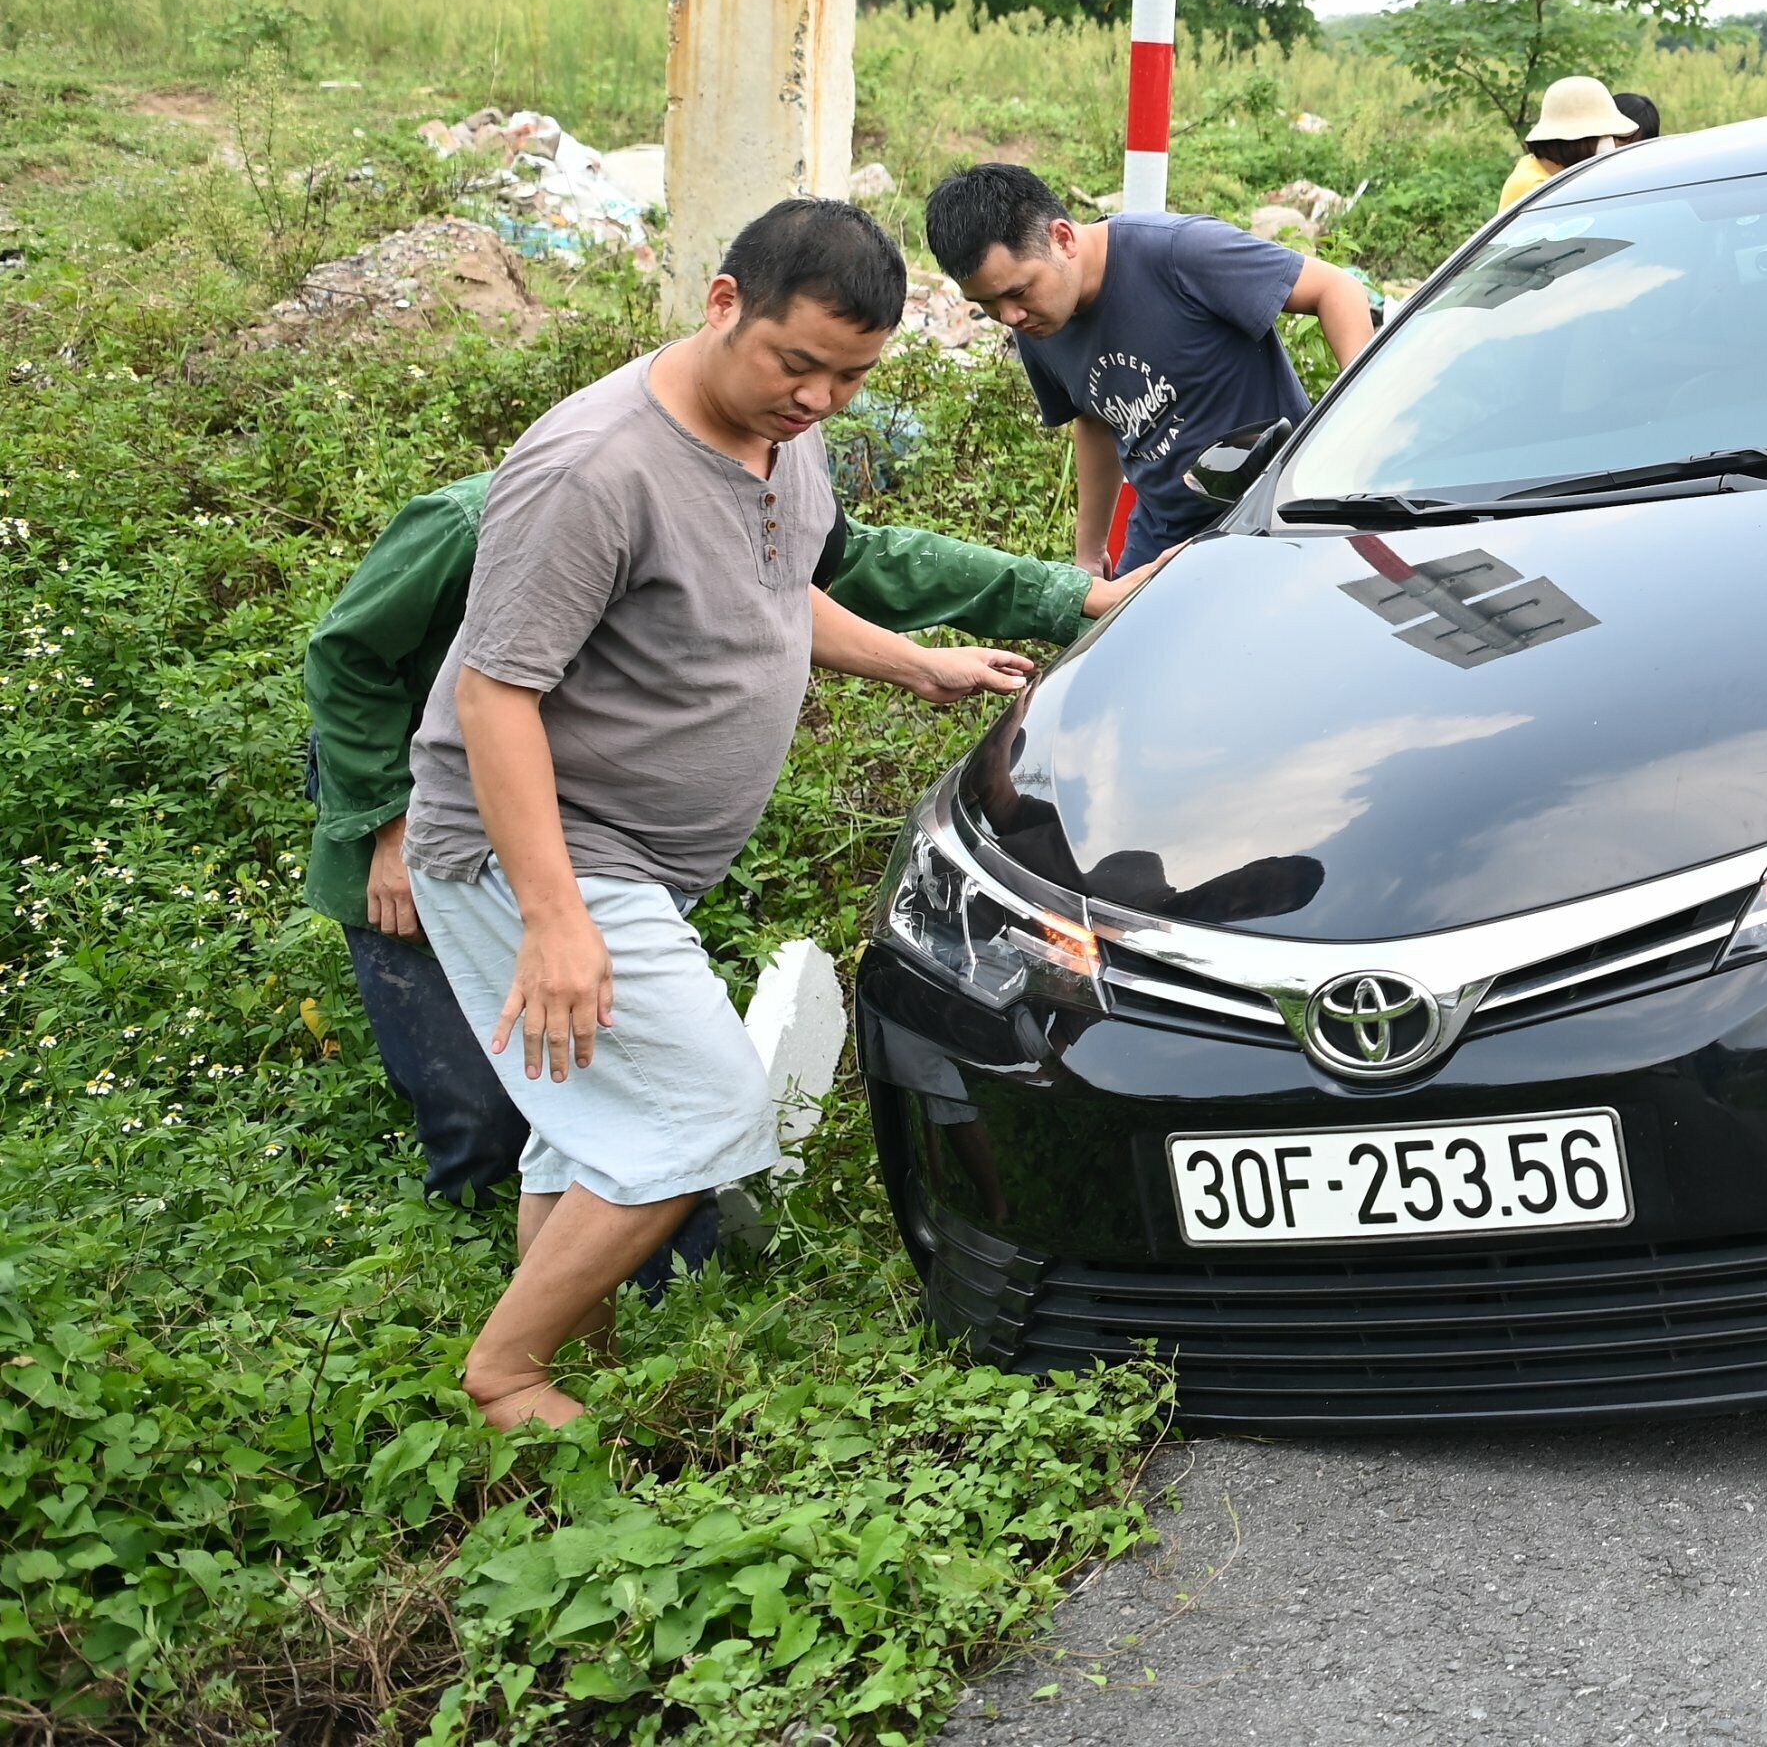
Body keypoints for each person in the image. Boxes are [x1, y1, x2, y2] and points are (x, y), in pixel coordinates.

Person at [406, 200, 1039, 1426]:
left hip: (637, 862)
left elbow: (775, 589)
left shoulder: (783, 437)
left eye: (851, 377)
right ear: (722, 302)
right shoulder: (594, 469)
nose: (819, 399)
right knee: (704, 1110)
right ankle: (506, 1373)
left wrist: (915, 660)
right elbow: (494, 696)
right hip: (538, 852)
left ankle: (565, 1359)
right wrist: (554, 919)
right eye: (797, 363)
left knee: (591, 1126)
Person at [304, 470, 1150, 1250]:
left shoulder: (738, 502)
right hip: (439, 850)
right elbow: (348, 656)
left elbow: (855, 565)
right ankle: (477, 1308)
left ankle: (626, 1308)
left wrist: (1064, 600)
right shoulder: (478, 520)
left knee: (595, 1109)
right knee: (484, 1126)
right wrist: (388, 829)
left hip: (584, 845)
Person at [922, 164, 1384, 576]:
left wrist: (1361, 427)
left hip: (1274, 511)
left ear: (1062, 238)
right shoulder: (1036, 324)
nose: (1009, 316)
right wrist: (1089, 551)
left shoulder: (1178, 252)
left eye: (1018, 292)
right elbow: (1093, 419)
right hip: (1163, 534)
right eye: (987, 303)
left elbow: (1336, 289)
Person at [1495, 73, 1635, 210]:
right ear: (1579, 141)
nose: (1609, 143)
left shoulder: (1540, 170)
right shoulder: (1540, 190)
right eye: (1603, 136)